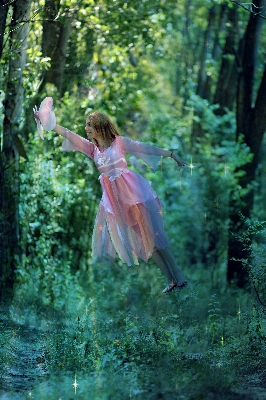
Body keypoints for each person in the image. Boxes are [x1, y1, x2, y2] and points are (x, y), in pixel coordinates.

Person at [33, 97, 188, 293]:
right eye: (86, 126)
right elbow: (68, 134)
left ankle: (178, 273)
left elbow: (145, 147)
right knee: (144, 239)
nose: (87, 129)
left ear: (100, 126)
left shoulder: (119, 143)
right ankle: (170, 280)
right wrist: (45, 120)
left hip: (134, 194)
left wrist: (172, 155)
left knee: (154, 235)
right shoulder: (92, 150)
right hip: (116, 202)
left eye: (90, 125)